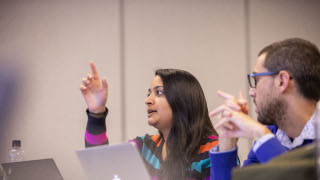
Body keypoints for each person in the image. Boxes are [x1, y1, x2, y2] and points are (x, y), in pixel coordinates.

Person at [80, 62, 218, 180]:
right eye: (148, 94)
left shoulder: (213, 150)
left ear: (182, 101)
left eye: (158, 93)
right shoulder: (144, 147)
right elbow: (101, 166)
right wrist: (96, 113)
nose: (148, 100)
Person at [208, 38, 320, 180]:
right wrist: (227, 140)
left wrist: (260, 133)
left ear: (282, 81)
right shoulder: (274, 133)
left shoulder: (266, 137)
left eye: (256, 80)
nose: (251, 92)